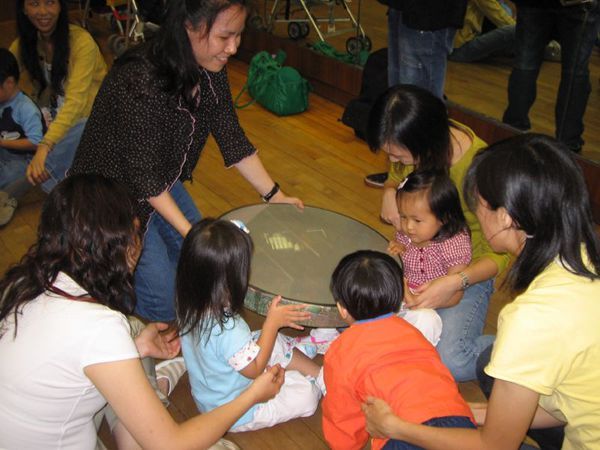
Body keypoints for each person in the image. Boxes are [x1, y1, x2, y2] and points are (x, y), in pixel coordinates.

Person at [0, 174, 284, 450]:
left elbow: (75, 352)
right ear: (114, 247)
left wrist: (135, 349)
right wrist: (253, 396)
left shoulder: (26, 283)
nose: (140, 241)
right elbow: (171, 444)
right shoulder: (99, 327)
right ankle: (152, 420)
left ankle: (146, 415)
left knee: (132, 329)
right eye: (135, 232)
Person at [69, 0, 303, 323]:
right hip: (113, 198)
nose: (233, 48)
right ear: (188, 27)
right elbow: (143, 177)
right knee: (165, 304)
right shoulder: (139, 77)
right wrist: (192, 233)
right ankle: (110, 309)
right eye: (224, 37)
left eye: (238, 36)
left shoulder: (208, 68)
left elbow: (231, 136)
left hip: (159, 180)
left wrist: (275, 195)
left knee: (198, 269)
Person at [362, 133, 600, 449]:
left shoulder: (532, 317)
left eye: (479, 205)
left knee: (400, 445)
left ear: (505, 217)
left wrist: (398, 426)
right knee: (491, 363)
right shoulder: (585, 259)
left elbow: (495, 446)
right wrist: (466, 411)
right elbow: (567, 404)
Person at [367, 84, 510, 382]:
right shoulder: (422, 141)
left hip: (467, 271)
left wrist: (455, 281)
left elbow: (499, 253)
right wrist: (390, 189)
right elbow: (397, 174)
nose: (395, 162)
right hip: (418, 260)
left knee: (452, 362)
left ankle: (523, 349)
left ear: (425, 144)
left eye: (400, 157)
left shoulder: (478, 172)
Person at [177, 218, 322, 432]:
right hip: (237, 411)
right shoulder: (229, 329)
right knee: (306, 396)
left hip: (212, 394)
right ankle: (318, 378)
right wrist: (271, 324)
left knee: (271, 341)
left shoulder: (188, 304)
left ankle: (319, 372)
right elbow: (254, 370)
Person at [322, 250, 476, 450]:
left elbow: (342, 416)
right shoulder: (413, 333)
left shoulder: (341, 350)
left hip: (401, 436)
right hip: (457, 426)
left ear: (342, 309)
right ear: (397, 301)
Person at [6, 0, 106, 208]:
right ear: (24, 9)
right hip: (51, 123)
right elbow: (4, 73)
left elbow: (75, 104)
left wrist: (45, 145)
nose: (43, 12)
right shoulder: (25, 44)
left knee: (80, 131)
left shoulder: (81, 42)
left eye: (50, 3)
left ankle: (14, 191)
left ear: (61, 6)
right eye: (34, 4)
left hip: (86, 123)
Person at [502, 0, 600, 153]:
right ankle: (568, 145)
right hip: (580, 5)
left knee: (525, 66)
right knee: (575, 74)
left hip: (535, 5)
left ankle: (512, 131)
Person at [0, 47, 44, 225]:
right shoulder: (3, 100)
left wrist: (2, 143)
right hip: (5, 152)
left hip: (24, 160)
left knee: (9, 174)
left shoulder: (25, 108)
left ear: (9, 83)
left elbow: (36, 142)